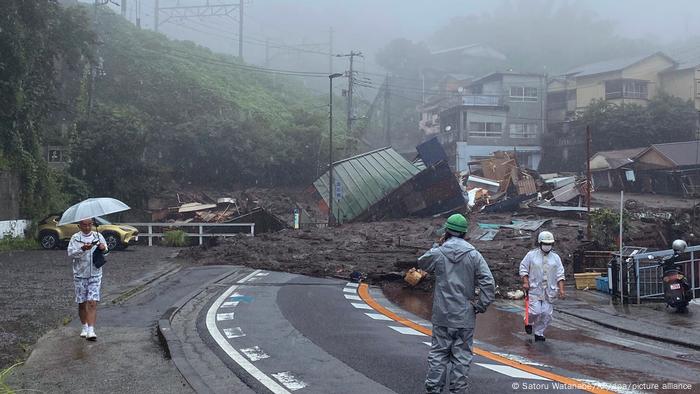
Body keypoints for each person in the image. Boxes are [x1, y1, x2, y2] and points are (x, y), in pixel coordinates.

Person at [417, 214, 495, 394]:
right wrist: (480, 305)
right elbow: (488, 282)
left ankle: (434, 388)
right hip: (465, 314)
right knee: (462, 356)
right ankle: (458, 390)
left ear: (446, 231)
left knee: (438, 354)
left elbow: (422, 262)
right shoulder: (474, 255)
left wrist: (438, 244)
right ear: (464, 233)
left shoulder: (439, 252)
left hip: (442, 314)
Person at [519, 231, 565, 342]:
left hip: (549, 291)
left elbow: (560, 274)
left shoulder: (556, 258)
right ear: (540, 243)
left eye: (549, 243)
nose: (547, 246)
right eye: (545, 243)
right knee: (534, 312)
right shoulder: (531, 255)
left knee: (546, 313)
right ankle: (528, 322)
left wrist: (561, 289)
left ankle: (539, 333)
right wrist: (525, 281)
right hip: (535, 289)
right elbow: (523, 268)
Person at [67, 218, 107, 341]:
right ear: (79, 226)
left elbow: (106, 252)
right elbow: (71, 253)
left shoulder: (98, 236)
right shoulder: (75, 238)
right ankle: (84, 326)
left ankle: (91, 330)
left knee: (92, 301)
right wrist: (82, 249)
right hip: (80, 274)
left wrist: (103, 248)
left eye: (90, 225)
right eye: (84, 225)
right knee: (82, 302)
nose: (87, 227)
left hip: (95, 273)